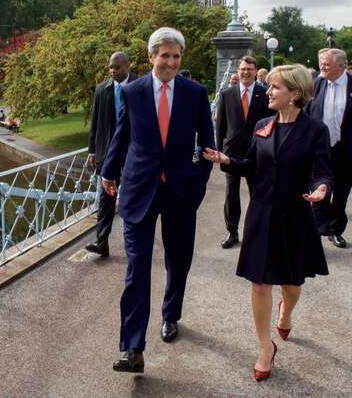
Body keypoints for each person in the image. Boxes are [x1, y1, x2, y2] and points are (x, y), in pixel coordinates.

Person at [203, 64, 332, 382]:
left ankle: (286, 311)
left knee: (292, 284)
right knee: (260, 283)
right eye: (270, 86)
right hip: (261, 214)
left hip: (295, 215)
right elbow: (251, 165)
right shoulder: (263, 124)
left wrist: (322, 189)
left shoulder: (315, 130)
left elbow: (323, 170)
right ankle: (264, 347)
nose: (268, 91)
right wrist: (227, 160)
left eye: (275, 87)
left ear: (295, 94)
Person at [101, 27, 214, 373]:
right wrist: (108, 172)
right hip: (138, 190)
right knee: (136, 269)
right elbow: (122, 136)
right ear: (151, 57)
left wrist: (199, 183)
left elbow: (206, 144)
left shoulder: (195, 93)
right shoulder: (132, 92)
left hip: (181, 191)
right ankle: (132, 347)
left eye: (176, 56)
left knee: (178, 260)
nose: (171, 62)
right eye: (164, 56)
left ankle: (171, 314)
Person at [307, 48, 352, 248]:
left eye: (327, 64)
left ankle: (336, 230)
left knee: (341, 193)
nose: (322, 67)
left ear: (341, 66)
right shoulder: (315, 85)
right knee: (318, 192)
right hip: (319, 151)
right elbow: (305, 115)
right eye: (321, 63)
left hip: (346, 151)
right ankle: (317, 230)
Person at [215, 55, 274, 249]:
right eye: (242, 69)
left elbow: (271, 125)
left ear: (256, 71)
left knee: (257, 193)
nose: (246, 72)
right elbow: (221, 126)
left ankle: (257, 230)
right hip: (231, 153)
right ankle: (232, 231)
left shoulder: (265, 93)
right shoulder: (226, 94)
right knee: (231, 193)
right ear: (238, 71)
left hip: (257, 152)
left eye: (249, 69)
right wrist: (218, 151)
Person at [85, 52, 136, 258]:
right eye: (110, 67)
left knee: (133, 196)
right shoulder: (101, 90)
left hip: (133, 150)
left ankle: (134, 244)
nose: (113, 71)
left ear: (126, 66)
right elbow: (95, 122)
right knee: (106, 197)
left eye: (117, 67)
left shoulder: (140, 87)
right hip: (108, 152)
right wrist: (92, 150)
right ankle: (102, 242)